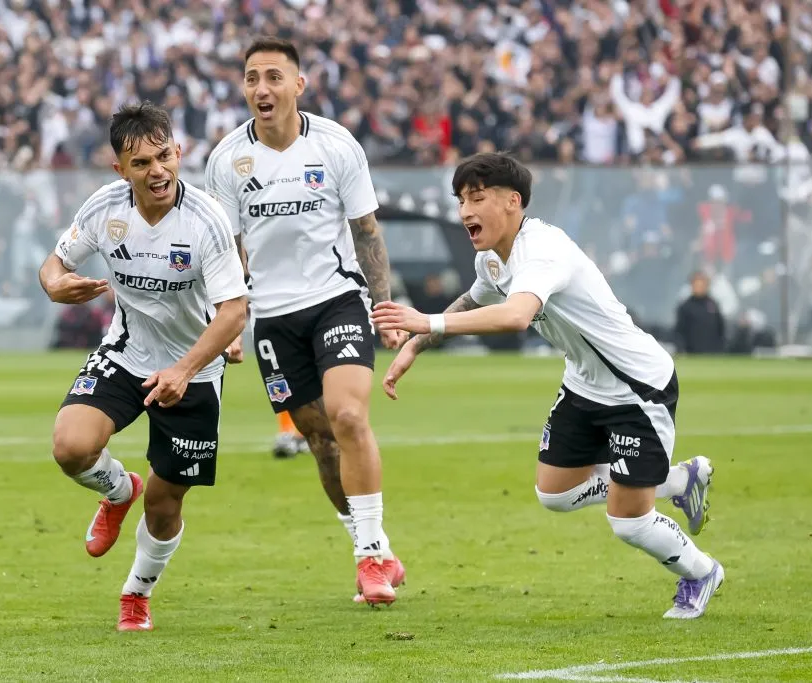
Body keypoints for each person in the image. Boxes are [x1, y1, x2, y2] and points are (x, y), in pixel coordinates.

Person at [372, 152, 722, 619]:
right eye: (460, 201)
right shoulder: (492, 260)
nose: (465, 211)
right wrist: (416, 345)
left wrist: (426, 320)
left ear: (513, 201)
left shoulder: (542, 249)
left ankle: (701, 573)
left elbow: (516, 316)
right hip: (584, 384)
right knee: (554, 493)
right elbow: (474, 299)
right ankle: (678, 481)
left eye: (477, 198)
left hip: (636, 388)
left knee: (628, 522)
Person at [204, 37, 408, 605]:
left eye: (274, 76)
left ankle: (370, 560)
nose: (262, 88)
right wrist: (228, 323)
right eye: (252, 78)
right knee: (320, 439)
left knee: (348, 415)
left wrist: (383, 307)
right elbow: (227, 253)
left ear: (298, 84)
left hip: (335, 300)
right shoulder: (226, 160)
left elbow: (366, 231)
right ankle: (375, 546)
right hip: (272, 319)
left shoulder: (337, 145)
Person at [39, 102, 248, 630]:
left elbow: (234, 312)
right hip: (127, 352)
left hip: (194, 370)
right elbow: (54, 263)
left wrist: (185, 369)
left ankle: (136, 593)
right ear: (120, 169)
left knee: (164, 503)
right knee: (70, 447)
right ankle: (118, 489)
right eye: (141, 163)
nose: (157, 171)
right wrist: (55, 284)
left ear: (178, 152)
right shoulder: (106, 208)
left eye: (164, 157)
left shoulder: (206, 220)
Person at [673, 271, 725, 354]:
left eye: (701, 285)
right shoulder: (686, 306)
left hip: (713, 353)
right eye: (696, 285)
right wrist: (681, 349)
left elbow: (720, 329)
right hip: (692, 353)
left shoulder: (713, 304)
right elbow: (679, 332)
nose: (699, 287)